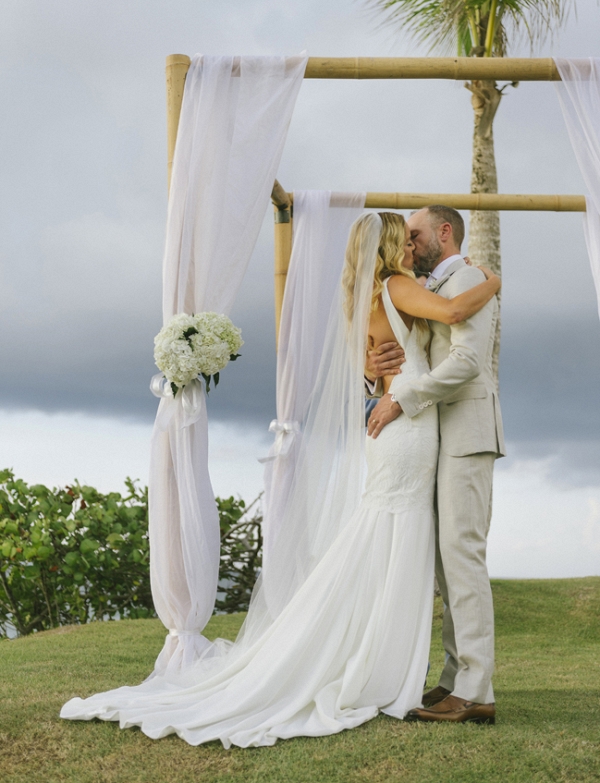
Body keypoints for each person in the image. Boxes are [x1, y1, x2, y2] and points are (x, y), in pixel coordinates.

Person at [60, 212, 500, 747]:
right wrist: (495, 280)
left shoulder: (373, 291)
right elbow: (449, 315)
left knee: (405, 542)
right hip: (406, 427)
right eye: (403, 236)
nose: (411, 242)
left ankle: (430, 673)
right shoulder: (402, 285)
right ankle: (411, 672)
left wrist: (380, 372)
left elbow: (405, 351)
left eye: (417, 234)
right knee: (398, 538)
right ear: (387, 246)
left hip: (413, 426)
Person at [366, 205, 505, 725]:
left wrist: (404, 399)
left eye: (418, 233)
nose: (411, 241)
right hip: (436, 435)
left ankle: (475, 690)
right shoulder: (416, 285)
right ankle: (453, 679)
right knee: (448, 564)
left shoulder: (469, 277)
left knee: (462, 556)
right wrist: (371, 370)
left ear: (444, 233)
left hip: (466, 430)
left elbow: (467, 361)